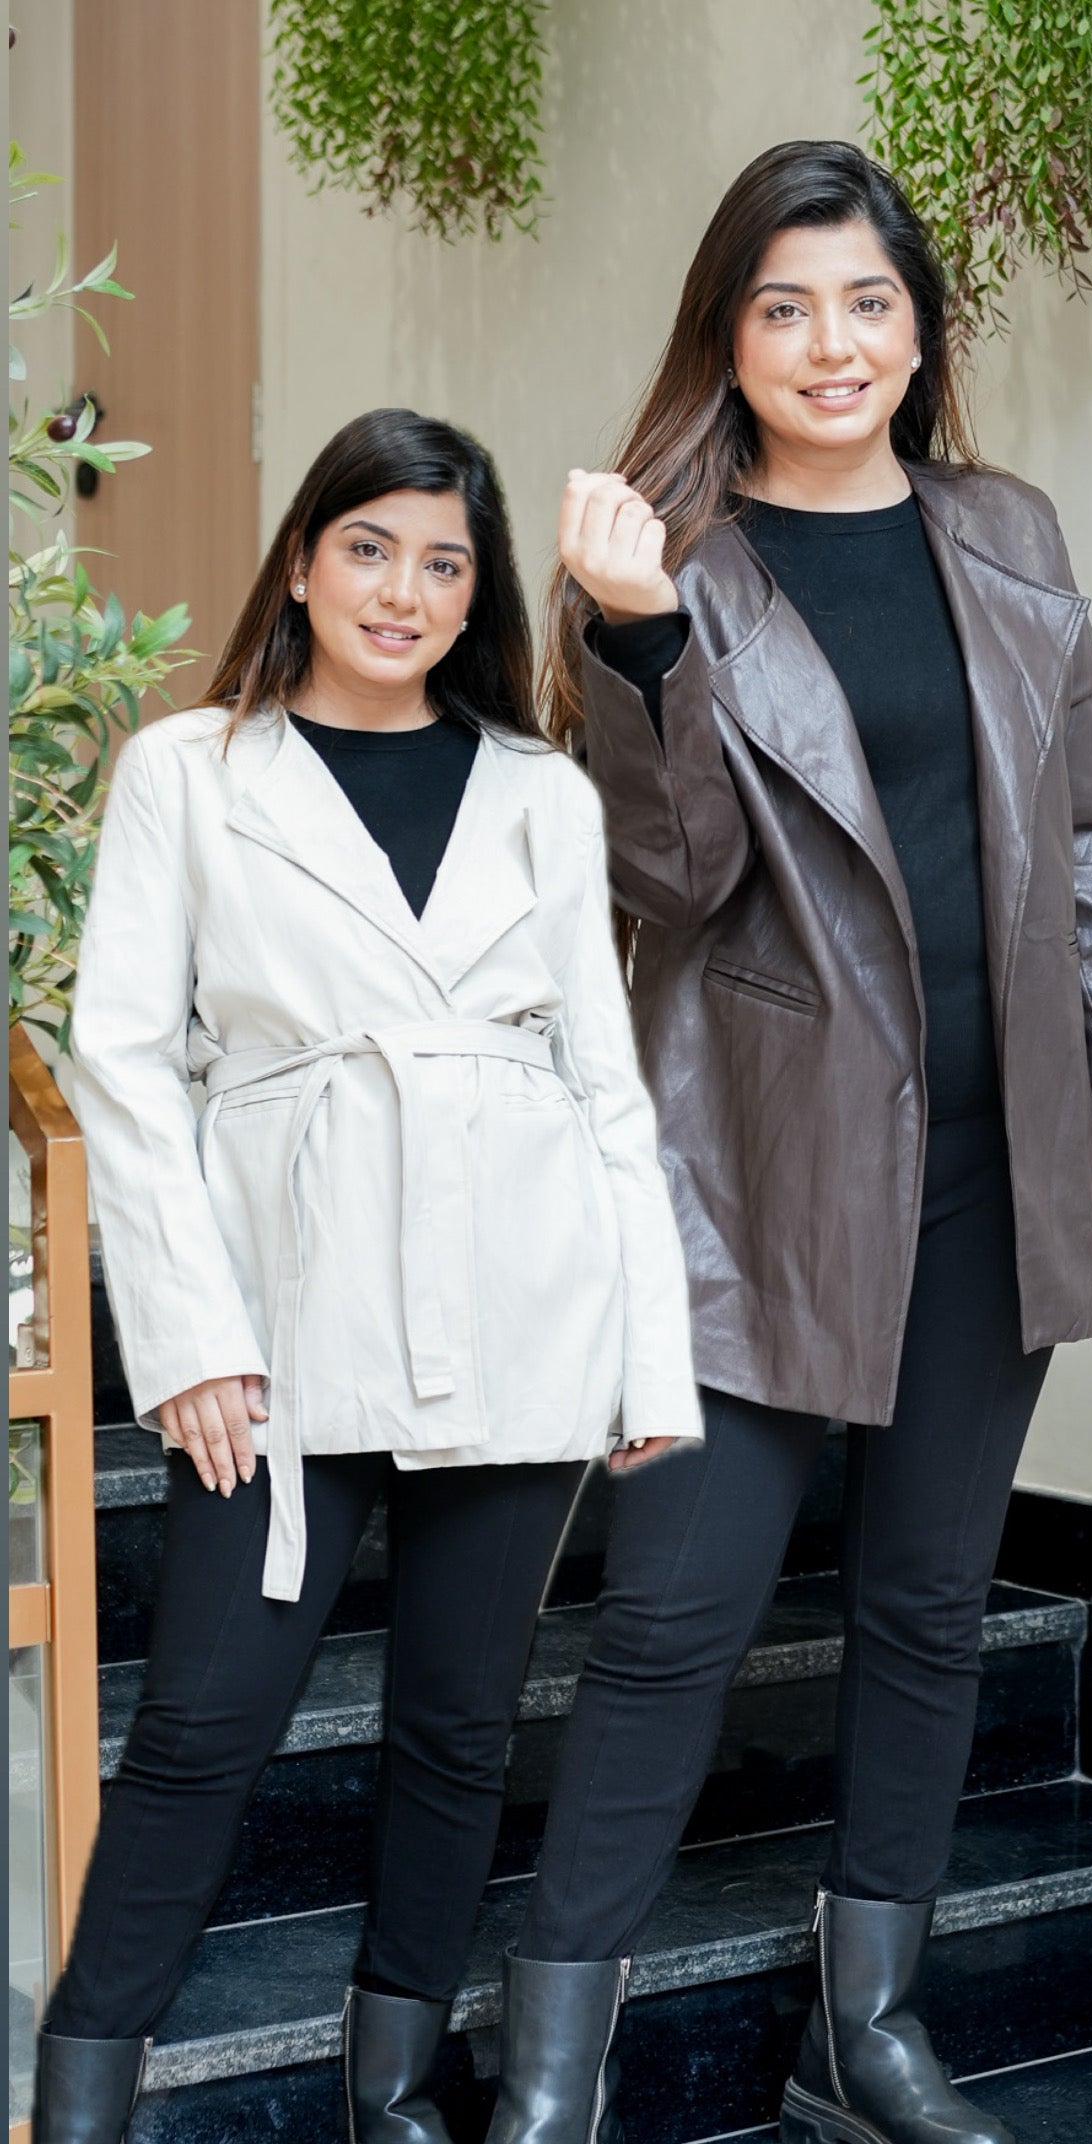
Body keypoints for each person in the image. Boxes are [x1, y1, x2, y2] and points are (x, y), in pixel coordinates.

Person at [484, 143, 1092, 2144]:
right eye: (783, 306)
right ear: (727, 336)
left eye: (867, 302)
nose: (830, 343)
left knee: (930, 1604)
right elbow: (674, 879)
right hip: (747, 1173)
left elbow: (1087, 850)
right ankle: (550, 2075)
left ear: (920, 328)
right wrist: (638, 644)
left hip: (994, 1154)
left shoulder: (1007, 532)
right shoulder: (668, 569)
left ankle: (862, 2034)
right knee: (670, 1621)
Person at [35, 408, 701, 2144]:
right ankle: (83, 2096)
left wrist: (646, 1354)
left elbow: (604, 1082)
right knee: (204, 1722)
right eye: (369, 548)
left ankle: (392, 2085)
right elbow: (124, 1062)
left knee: (460, 1726)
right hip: (283, 1297)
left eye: (444, 562)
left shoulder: (541, 792)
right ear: (302, 562)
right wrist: (190, 1337)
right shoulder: (188, 769)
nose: (402, 591)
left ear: (478, 594)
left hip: (524, 1281)